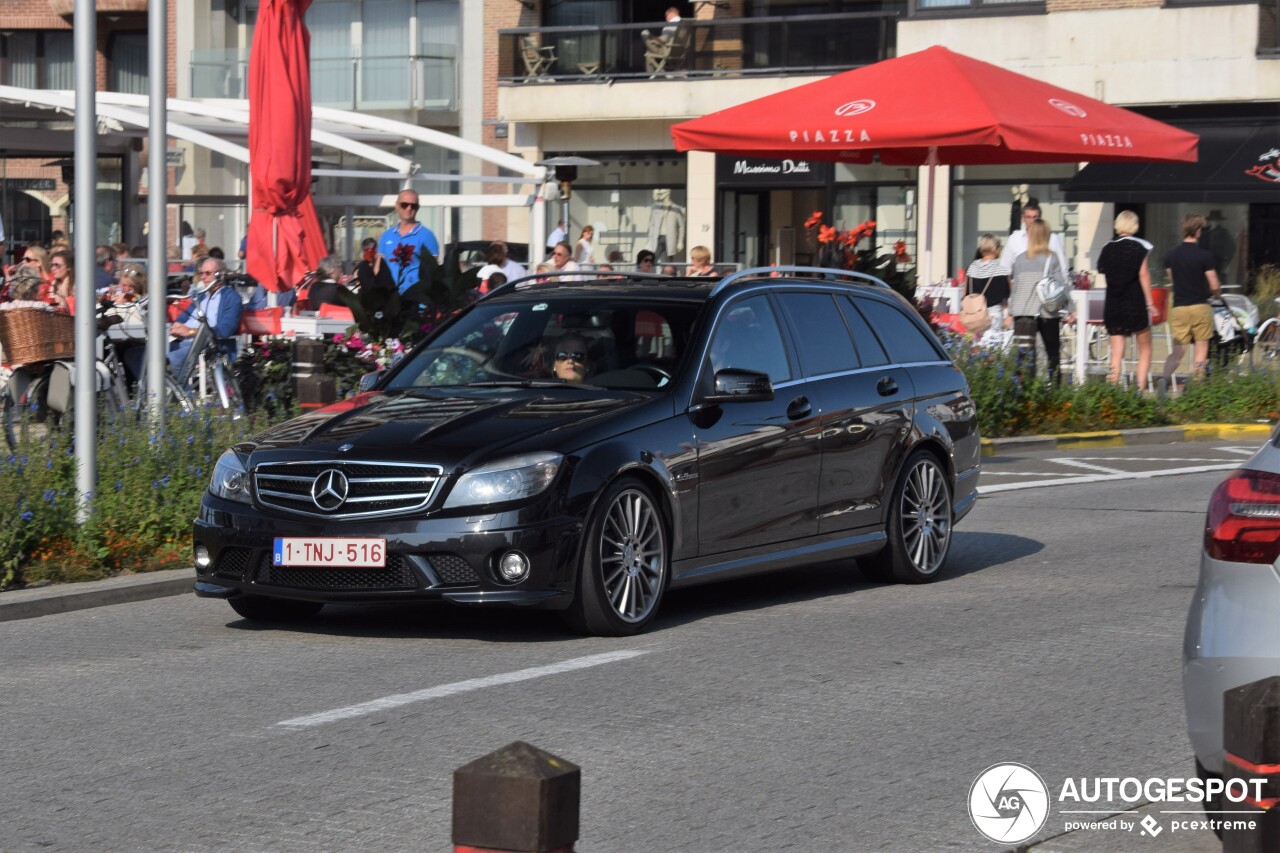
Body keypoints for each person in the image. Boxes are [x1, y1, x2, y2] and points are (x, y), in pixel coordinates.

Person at [1096, 210, 1155, 389]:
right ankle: (1139, 389)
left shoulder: (1107, 247)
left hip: (1113, 304)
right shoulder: (1140, 248)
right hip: (1134, 302)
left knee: (1116, 352)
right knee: (1145, 349)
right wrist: (1150, 302)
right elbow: (1143, 274)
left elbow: (1102, 269)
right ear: (1134, 226)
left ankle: (1112, 392)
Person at [1161, 213, 1221, 386]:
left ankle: (1164, 381)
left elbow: (1173, 280)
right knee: (1201, 348)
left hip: (1179, 307)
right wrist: (1216, 295)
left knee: (1178, 351)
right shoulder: (1205, 256)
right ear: (1198, 230)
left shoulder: (1170, 255)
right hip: (1200, 306)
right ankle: (1196, 386)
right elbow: (1214, 284)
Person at [1008, 219, 1067, 382]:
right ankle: (1055, 394)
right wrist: (1070, 306)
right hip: (1047, 311)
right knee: (1052, 354)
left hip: (1023, 312)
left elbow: (1017, 286)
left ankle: (1024, 395)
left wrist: (1011, 311)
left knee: (1024, 358)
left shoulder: (1019, 259)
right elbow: (1060, 286)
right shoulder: (1052, 258)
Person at [168, 257, 243, 375]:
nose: (203, 277)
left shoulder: (232, 298)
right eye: (201, 273)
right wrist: (177, 325)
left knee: (172, 358)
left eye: (207, 273)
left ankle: (184, 393)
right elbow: (183, 317)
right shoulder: (201, 295)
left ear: (221, 274)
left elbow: (224, 330)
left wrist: (191, 332)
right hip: (182, 341)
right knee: (139, 354)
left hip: (208, 347)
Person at [378, 189, 440, 293]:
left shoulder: (427, 235)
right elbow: (378, 268)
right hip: (391, 299)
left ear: (418, 208)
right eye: (404, 205)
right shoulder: (386, 236)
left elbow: (433, 270)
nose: (409, 208)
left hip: (416, 299)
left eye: (413, 205)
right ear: (397, 206)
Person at [1001, 198, 1068, 280]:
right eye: (1028, 217)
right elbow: (1005, 269)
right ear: (1023, 218)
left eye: (1035, 217)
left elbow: (1062, 268)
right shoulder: (1014, 239)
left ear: (1040, 218)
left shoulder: (1052, 238)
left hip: (1045, 289)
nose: (1032, 221)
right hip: (1022, 288)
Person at [965, 234, 1011, 340]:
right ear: (995, 249)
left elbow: (965, 295)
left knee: (975, 351)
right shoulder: (1001, 269)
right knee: (993, 352)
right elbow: (1008, 296)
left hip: (974, 315)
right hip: (993, 316)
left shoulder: (971, 268)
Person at [1198, 209, 1236, 284]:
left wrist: (1225, 264)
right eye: (1212, 220)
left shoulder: (1223, 232)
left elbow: (1231, 248)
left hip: (1219, 265)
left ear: (1219, 221)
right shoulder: (1204, 232)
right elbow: (1199, 247)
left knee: (1219, 285)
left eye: (1216, 220)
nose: (1214, 221)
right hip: (1205, 266)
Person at [46, 250, 75, 314]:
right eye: (52, 265)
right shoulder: (53, 284)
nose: (53, 268)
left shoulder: (75, 286)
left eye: (57, 265)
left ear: (69, 267)